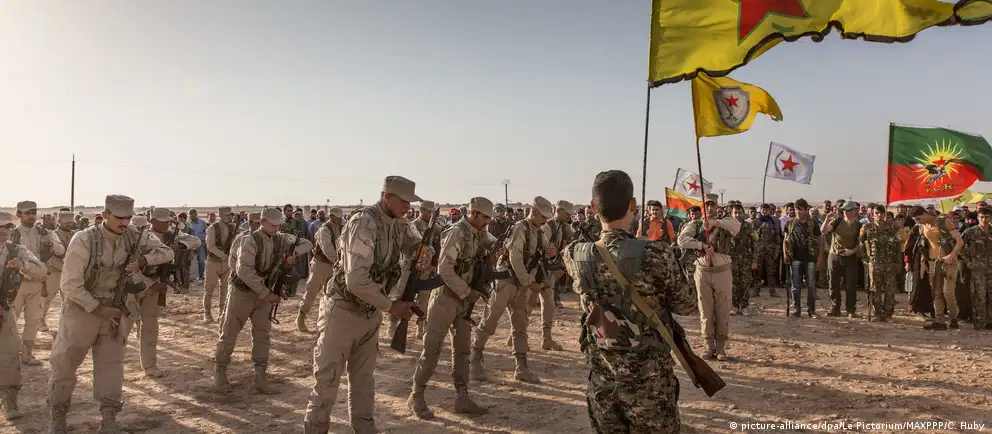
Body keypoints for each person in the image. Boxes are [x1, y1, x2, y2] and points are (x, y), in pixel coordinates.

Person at [563, 170, 697, 433]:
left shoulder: (574, 255)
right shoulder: (656, 254)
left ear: (593, 207)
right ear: (633, 205)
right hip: (649, 384)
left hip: (603, 382)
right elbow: (687, 305)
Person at [303, 176, 431, 434]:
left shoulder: (398, 222)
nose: (408, 206)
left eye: (410, 202)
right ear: (386, 197)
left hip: (370, 312)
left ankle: (364, 428)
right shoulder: (364, 222)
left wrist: (425, 253)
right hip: (343, 312)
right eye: (404, 201)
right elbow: (356, 280)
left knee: (364, 381)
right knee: (327, 381)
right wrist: (391, 306)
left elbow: (415, 245)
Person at [49, 195, 174, 433]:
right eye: (119, 218)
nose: (125, 222)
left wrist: (143, 260)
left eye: (128, 218)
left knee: (111, 368)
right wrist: (99, 308)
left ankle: (109, 422)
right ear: (105, 215)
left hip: (115, 310)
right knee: (64, 365)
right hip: (81, 311)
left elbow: (167, 252)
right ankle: (57, 420)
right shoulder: (84, 239)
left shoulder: (134, 236)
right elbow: (70, 285)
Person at [407, 197, 494, 420]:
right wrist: (467, 291)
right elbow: (445, 270)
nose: (488, 222)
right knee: (432, 350)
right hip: (445, 299)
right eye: (485, 217)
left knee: (462, 350)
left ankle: (462, 397)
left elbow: (491, 244)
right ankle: (416, 396)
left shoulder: (479, 233)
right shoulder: (456, 233)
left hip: (464, 301)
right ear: (473, 213)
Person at [214, 208, 312, 394]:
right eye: (273, 225)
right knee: (229, 333)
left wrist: (293, 254)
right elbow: (244, 272)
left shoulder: (280, 239)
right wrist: (266, 293)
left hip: (264, 293)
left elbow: (306, 243)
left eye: (278, 225)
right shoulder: (249, 241)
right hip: (242, 293)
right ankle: (220, 372)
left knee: (262, 334)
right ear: (262, 222)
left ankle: (260, 376)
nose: (276, 228)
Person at [471, 197, 555, 384]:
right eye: (543, 216)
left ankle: (521, 368)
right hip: (506, 282)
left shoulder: (539, 232)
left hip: (521, 285)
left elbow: (543, 254)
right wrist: (529, 283)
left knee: (520, 325)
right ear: (533, 212)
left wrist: (550, 254)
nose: (545, 221)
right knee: (490, 321)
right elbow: (515, 259)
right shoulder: (520, 229)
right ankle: (475, 362)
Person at [136, 208, 201, 377]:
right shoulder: (141, 237)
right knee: (123, 329)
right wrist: (149, 284)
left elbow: (196, 241)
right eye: (163, 221)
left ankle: (149, 366)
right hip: (134, 286)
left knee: (150, 328)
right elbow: (131, 265)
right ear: (152, 221)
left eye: (168, 221)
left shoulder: (173, 235)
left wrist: (179, 245)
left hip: (156, 285)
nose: (166, 224)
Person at [678, 194, 740, 360]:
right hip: (703, 271)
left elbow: (736, 226)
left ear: (717, 206)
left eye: (712, 205)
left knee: (723, 310)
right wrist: (702, 245)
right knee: (705, 312)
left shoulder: (725, 222)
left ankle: (721, 348)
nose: (710, 208)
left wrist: (716, 223)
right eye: (707, 205)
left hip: (722, 272)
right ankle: (708, 346)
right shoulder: (696, 224)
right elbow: (682, 240)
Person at [0, 212, 48, 421]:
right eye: (0, 227)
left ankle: (9, 402)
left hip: (5, 311)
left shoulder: (16, 251)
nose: (4, 231)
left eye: (7, 227)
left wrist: (23, 265)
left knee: (10, 356)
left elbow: (42, 271)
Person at [11, 200, 66, 366]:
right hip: (16, 283)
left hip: (37, 282)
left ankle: (27, 354)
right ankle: (8, 354)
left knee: (33, 320)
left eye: (33, 213)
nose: (31, 216)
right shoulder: (13, 233)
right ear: (19, 214)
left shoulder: (45, 232)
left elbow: (61, 251)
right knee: (10, 320)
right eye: (27, 213)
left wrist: (50, 243)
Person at [910, 206, 964, 329]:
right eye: (915, 220)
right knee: (936, 292)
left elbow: (959, 241)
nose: (918, 221)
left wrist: (952, 255)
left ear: (924, 213)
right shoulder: (923, 227)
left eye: (918, 218)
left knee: (948, 292)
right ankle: (939, 320)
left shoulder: (943, 221)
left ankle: (953, 318)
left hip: (948, 261)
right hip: (933, 262)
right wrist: (923, 263)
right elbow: (924, 246)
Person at [296, 207, 344, 333]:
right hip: (321, 264)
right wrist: (338, 261)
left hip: (333, 266)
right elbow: (327, 248)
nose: (340, 220)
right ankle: (301, 316)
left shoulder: (340, 228)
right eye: (338, 217)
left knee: (332, 294)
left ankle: (327, 322)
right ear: (332, 216)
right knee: (312, 291)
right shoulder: (324, 229)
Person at [859, 205, 901, 322]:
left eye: (882, 213)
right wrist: (865, 259)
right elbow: (861, 244)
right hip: (874, 263)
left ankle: (888, 314)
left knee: (890, 290)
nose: (880, 215)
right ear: (872, 214)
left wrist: (898, 263)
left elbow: (897, 247)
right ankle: (877, 313)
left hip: (889, 263)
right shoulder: (867, 228)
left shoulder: (892, 228)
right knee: (874, 289)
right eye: (877, 213)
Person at [822, 201, 863, 318]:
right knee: (833, 284)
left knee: (850, 285)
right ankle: (835, 308)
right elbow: (824, 230)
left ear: (855, 211)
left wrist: (852, 251)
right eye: (844, 210)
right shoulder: (837, 221)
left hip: (850, 258)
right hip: (835, 256)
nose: (846, 212)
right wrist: (827, 219)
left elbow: (860, 244)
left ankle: (851, 310)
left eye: (848, 210)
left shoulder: (859, 226)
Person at [784, 199, 821, 318]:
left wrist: (819, 259)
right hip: (795, 258)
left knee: (811, 285)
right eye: (796, 209)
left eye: (800, 209)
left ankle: (812, 310)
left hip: (810, 259)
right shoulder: (789, 223)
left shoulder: (813, 224)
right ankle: (796, 309)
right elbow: (785, 240)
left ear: (806, 210)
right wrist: (785, 255)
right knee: (795, 286)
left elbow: (819, 242)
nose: (797, 212)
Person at [42, 211, 77, 333]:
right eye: (66, 222)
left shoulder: (75, 234)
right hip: (55, 270)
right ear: (59, 222)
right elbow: (48, 253)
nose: (69, 224)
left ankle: (66, 324)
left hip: (70, 272)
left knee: (69, 299)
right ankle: (41, 320)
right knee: (47, 297)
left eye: (70, 222)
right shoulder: (52, 235)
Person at [203, 207, 237, 323]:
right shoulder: (212, 228)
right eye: (227, 215)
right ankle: (207, 312)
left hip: (227, 264)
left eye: (231, 215)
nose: (229, 217)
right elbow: (210, 246)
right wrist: (224, 256)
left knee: (225, 290)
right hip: (213, 262)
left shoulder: (233, 227)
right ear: (221, 215)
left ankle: (222, 313)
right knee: (209, 289)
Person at [961, 206, 992, 329]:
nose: (984, 219)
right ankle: (980, 321)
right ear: (978, 218)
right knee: (979, 296)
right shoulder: (970, 232)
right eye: (982, 217)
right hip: (978, 269)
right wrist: (968, 262)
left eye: (987, 217)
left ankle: (990, 321)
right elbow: (959, 247)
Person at [729, 204, 757, 316]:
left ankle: (744, 306)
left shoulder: (748, 226)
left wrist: (754, 261)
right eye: (735, 213)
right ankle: (735, 306)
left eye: (739, 212)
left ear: (743, 213)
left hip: (746, 260)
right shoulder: (728, 227)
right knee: (733, 284)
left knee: (745, 283)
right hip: (732, 260)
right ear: (731, 214)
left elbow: (756, 244)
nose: (737, 215)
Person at [187, 209, 208, 281]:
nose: (192, 216)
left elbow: (206, 232)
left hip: (200, 244)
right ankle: (189, 276)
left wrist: (206, 243)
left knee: (201, 260)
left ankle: (201, 275)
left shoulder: (202, 222)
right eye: (190, 214)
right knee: (190, 261)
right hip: (190, 245)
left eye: (193, 214)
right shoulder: (187, 223)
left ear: (196, 214)